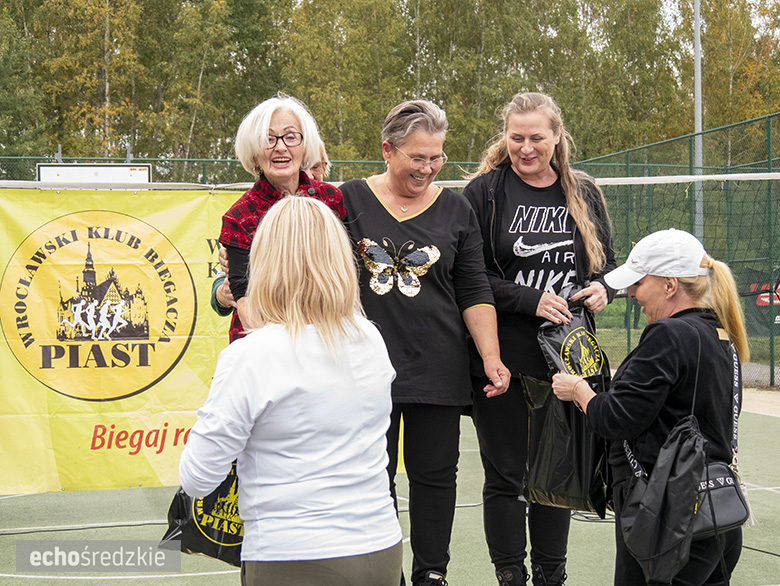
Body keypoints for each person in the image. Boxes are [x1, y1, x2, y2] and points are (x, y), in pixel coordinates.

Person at [180, 196, 403, 586]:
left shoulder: (251, 356)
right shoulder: (369, 338)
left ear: (265, 262)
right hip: (381, 545)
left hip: (293, 553)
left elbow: (197, 477)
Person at [339, 100, 511, 586]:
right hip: (361, 373)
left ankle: (432, 573)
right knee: (372, 478)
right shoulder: (346, 199)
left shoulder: (457, 208)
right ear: (387, 150)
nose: (428, 168)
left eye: (436, 157)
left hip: (438, 369)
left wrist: (491, 356)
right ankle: (382, 572)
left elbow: (474, 290)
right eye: (417, 157)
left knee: (435, 478)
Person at [462, 91, 616, 586]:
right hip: (501, 356)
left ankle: (553, 576)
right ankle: (510, 575)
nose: (526, 148)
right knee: (506, 475)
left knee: (555, 474)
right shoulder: (484, 192)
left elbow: (607, 265)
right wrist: (529, 300)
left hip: (567, 359)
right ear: (505, 137)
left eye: (536, 138)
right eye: (516, 137)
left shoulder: (583, 191)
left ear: (557, 136)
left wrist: (604, 288)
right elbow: (471, 276)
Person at [552, 228, 748, 586]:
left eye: (639, 283)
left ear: (670, 285)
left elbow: (615, 419)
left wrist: (578, 390)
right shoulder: (720, 334)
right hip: (717, 515)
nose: (632, 294)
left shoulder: (668, 335)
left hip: (669, 523)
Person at [218, 94, 345, 341]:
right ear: (254, 154)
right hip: (263, 342)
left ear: (305, 146)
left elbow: (345, 276)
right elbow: (245, 302)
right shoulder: (239, 217)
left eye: (291, 136)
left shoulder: (331, 199)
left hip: (325, 338)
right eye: (268, 139)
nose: (280, 147)